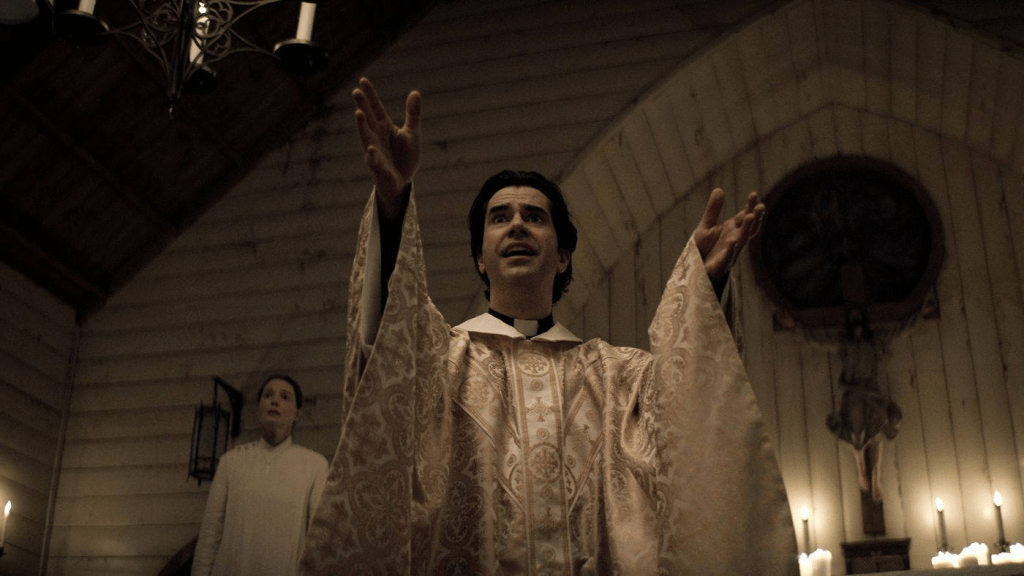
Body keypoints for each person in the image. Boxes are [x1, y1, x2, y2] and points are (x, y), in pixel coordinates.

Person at [299, 77, 797, 574]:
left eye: (534, 217)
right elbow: (389, 347)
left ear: (562, 257)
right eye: (499, 218)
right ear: (480, 259)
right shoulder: (440, 361)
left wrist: (703, 290)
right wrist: (393, 208)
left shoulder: (616, 377)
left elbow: (687, 412)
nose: (517, 224)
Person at [192, 375, 329, 576]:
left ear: (297, 414)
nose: (275, 401)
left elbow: (318, 542)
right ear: (258, 409)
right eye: (268, 395)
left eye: (285, 397)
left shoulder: (314, 465)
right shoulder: (231, 462)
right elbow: (210, 534)